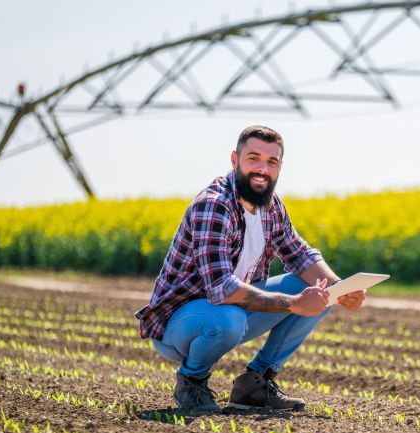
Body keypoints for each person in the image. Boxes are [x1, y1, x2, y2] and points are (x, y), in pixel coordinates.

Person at [135, 125, 366, 414]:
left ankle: (255, 384)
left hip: (232, 312)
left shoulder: (271, 206)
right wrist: (294, 303)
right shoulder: (214, 205)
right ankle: (191, 381)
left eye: (272, 162)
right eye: (253, 158)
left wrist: (339, 289)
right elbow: (222, 289)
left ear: (280, 167)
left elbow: (301, 255)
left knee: (320, 294)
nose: (262, 169)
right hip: (179, 325)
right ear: (235, 160)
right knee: (229, 318)